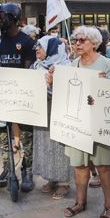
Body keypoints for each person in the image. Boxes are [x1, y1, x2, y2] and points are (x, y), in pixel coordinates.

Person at [53, 27, 110, 218]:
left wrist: (104, 88)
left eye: (82, 40)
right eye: (75, 41)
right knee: (79, 165)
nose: (77, 44)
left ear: (94, 43)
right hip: (78, 124)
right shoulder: (72, 65)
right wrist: (52, 81)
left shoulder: (106, 64)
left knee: (103, 166)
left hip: (99, 123)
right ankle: (80, 202)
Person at [0, 3, 37, 191]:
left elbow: (29, 70)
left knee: (26, 135)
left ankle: (27, 171)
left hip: (22, 96)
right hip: (2, 96)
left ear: (13, 18)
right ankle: (8, 167)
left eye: (1, 16)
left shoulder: (26, 42)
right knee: (3, 134)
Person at [32, 35, 73, 200]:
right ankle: (51, 178)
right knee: (45, 145)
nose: (37, 50)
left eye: (40, 47)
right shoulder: (36, 66)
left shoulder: (65, 67)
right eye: (36, 47)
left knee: (59, 147)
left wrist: (52, 84)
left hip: (59, 112)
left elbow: (69, 92)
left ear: (51, 49)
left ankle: (64, 182)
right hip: (42, 112)